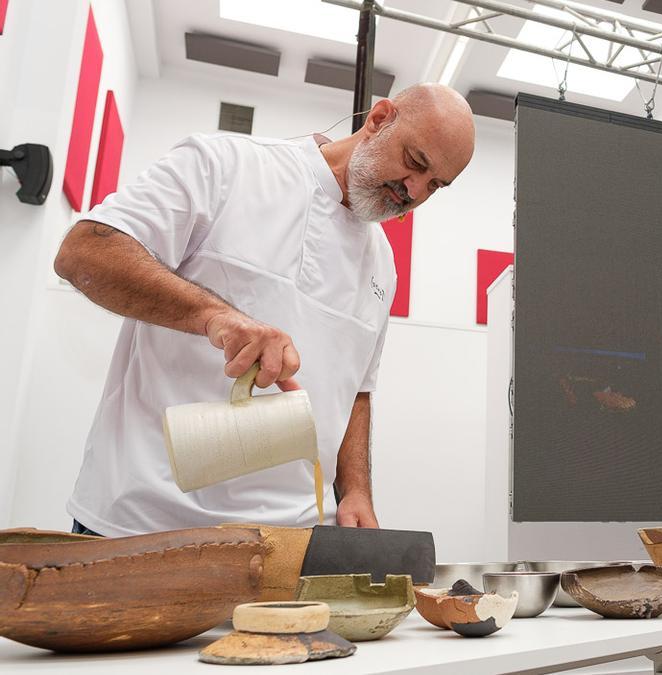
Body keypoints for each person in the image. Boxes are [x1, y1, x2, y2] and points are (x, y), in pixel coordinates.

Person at [53, 83, 476, 537]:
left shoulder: (384, 264)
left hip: (288, 545)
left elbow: (356, 391)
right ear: (378, 120)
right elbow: (84, 253)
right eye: (415, 162)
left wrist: (355, 491)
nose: (412, 190)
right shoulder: (225, 165)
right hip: (142, 526)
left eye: (435, 185)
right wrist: (217, 317)